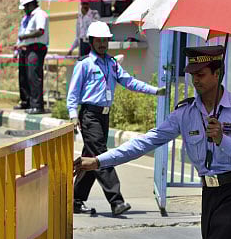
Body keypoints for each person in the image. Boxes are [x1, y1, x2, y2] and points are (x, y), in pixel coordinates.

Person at [74, 45, 231, 239]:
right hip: (210, 191)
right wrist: (99, 161)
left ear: (218, 73)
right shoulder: (185, 112)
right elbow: (146, 142)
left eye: (201, 74)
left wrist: (224, 140)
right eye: (192, 75)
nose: (196, 80)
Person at [67, 21, 166, 216]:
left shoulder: (112, 64)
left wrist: (155, 91)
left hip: (104, 116)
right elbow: (73, 93)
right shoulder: (84, 64)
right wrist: (72, 115)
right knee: (102, 156)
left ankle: (75, 199)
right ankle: (116, 201)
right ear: (92, 41)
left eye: (106, 40)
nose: (103, 44)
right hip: (90, 116)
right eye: (99, 41)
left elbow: (130, 82)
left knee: (92, 158)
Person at [14, 0, 49, 114]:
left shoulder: (40, 15)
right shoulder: (28, 17)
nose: (24, 10)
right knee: (25, 76)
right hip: (27, 48)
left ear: (31, 4)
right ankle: (27, 101)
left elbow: (40, 31)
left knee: (34, 76)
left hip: (36, 48)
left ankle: (37, 105)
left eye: (25, 7)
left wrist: (25, 36)